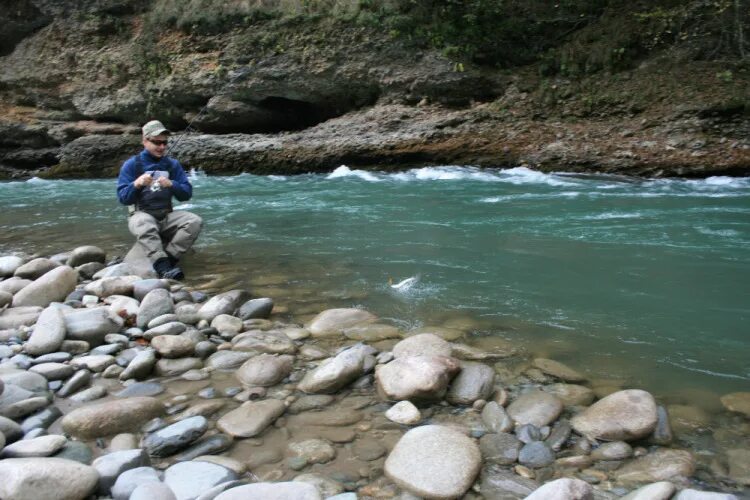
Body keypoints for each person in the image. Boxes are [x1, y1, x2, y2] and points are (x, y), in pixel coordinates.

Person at [117, 120, 202, 280]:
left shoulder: (172, 165)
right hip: (140, 215)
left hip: (166, 216)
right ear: (144, 141)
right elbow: (123, 198)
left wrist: (172, 184)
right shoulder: (131, 165)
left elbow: (186, 194)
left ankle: (168, 260)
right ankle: (163, 268)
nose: (162, 147)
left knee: (194, 221)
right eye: (157, 142)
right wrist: (137, 184)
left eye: (164, 143)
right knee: (145, 223)